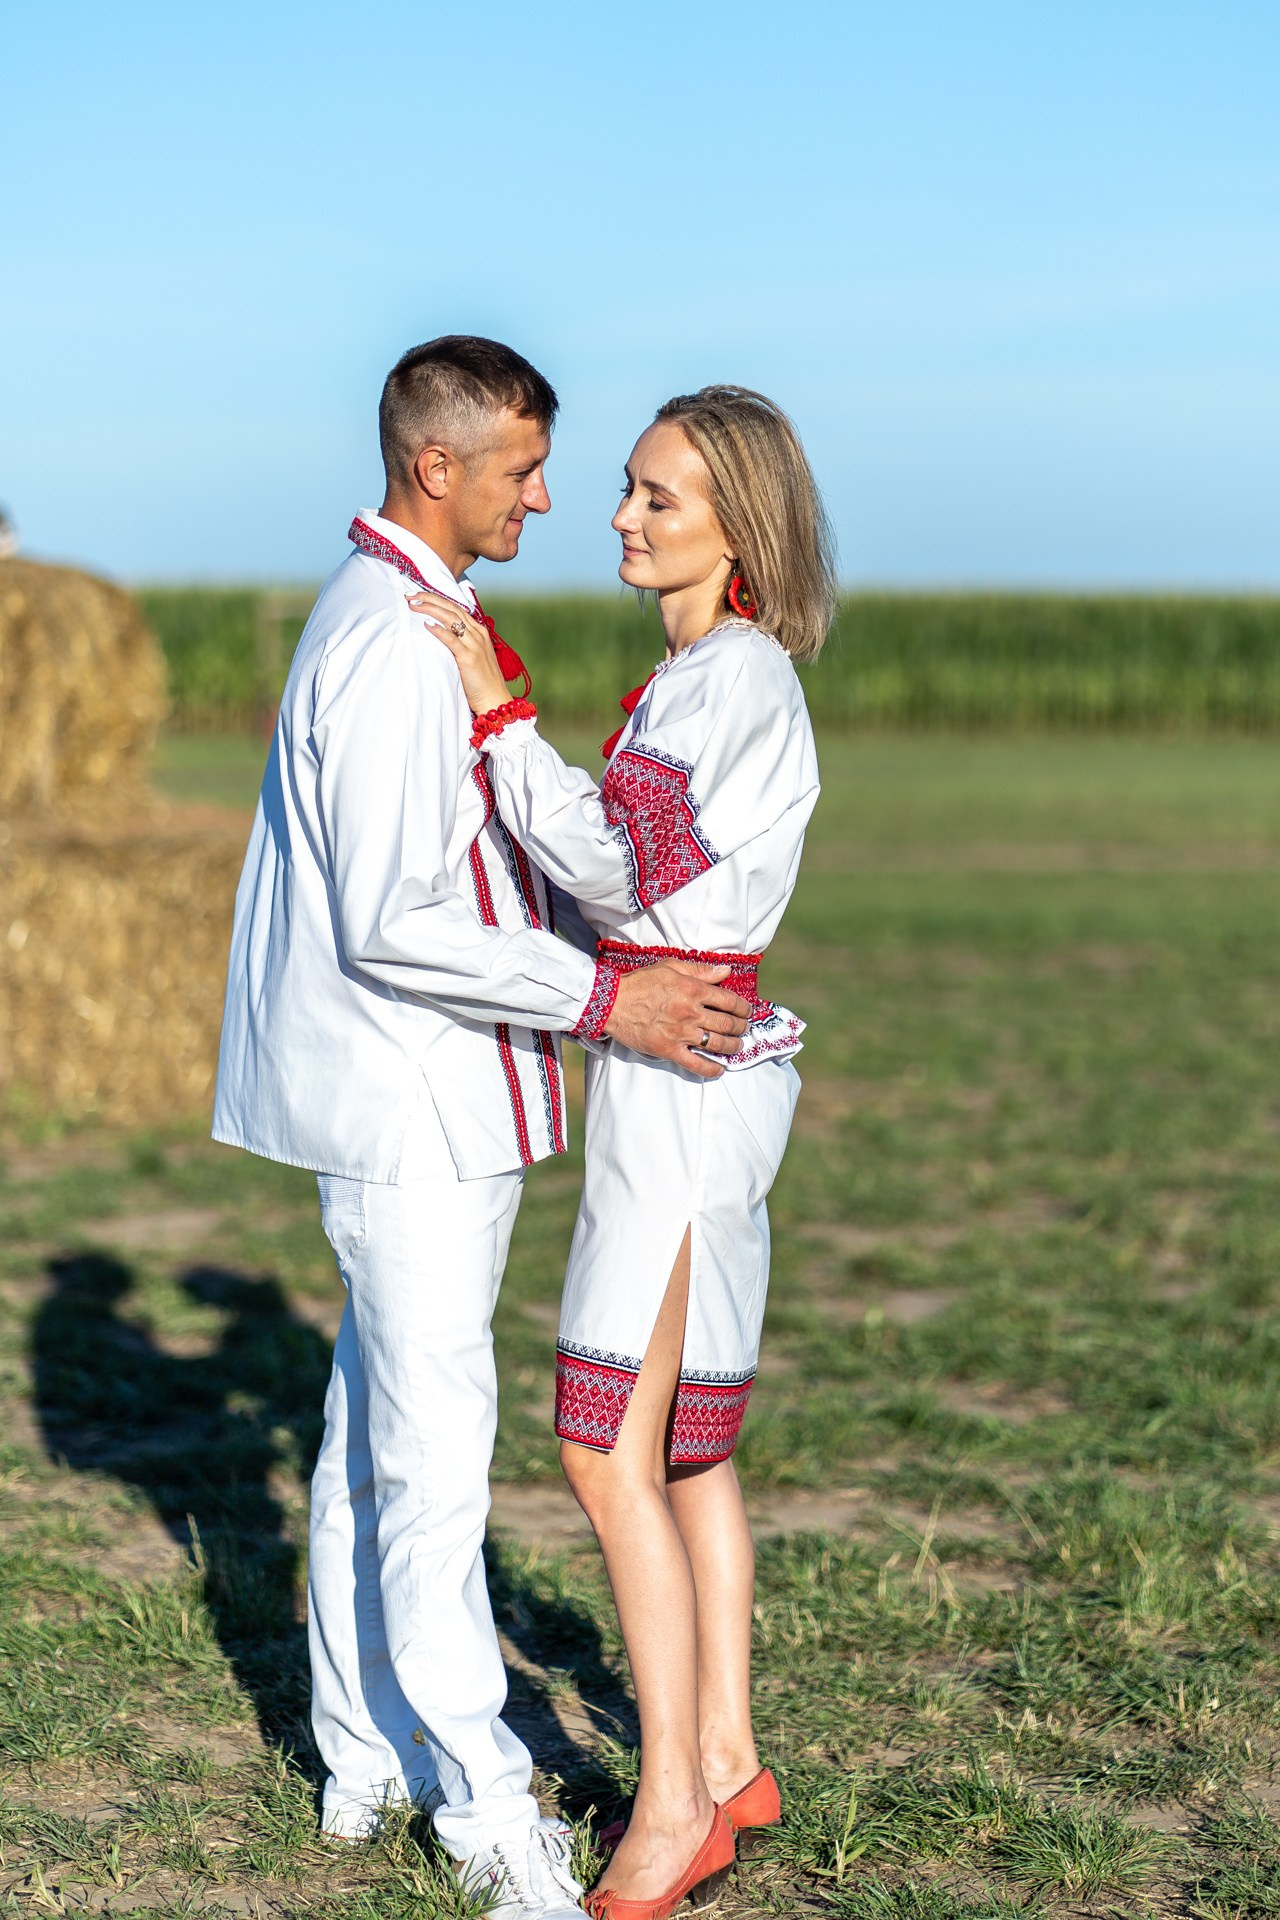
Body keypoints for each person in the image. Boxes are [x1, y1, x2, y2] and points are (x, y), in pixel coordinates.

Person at [211, 337, 754, 1920]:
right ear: (434, 465)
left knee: (376, 1441)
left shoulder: (407, 618)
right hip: (416, 1106)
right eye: (521, 467)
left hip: (433, 1097)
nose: (547, 494)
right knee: (436, 1465)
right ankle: (490, 1812)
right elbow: (395, 918)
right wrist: (609, 1001)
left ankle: (363, 1754)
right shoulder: (386, 640)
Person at [411, 383, 834, 1920]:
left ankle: (668, 1810)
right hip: (702, 1067)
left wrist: (495, 714)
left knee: (603, 1449)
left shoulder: (725, 683)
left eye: (659, 497)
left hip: (680, 1083)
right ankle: (723, 1754)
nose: (622, 516)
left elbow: (609, 863)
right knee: (687, 1451)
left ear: (742, 526)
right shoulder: (725, 677)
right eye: (628, 491)